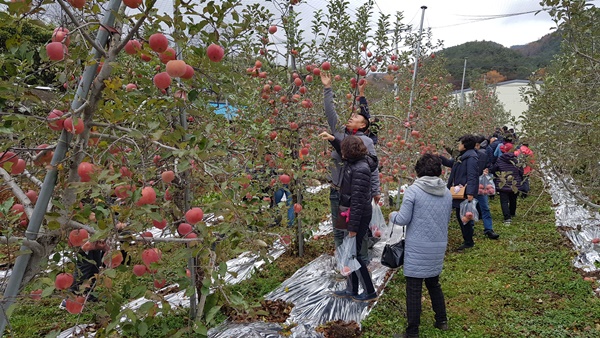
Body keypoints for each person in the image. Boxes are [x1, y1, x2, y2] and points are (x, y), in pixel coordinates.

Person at [389, 153, 452, 338]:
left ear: (419, 170)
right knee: (434, 283)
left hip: (418, 246)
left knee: (414, 289)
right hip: (438, 244)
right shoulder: (447, 192)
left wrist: (392, 215)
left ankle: (412, 332)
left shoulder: (413, 190)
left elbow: (403, 219)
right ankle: (442, 321)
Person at [320, 71, 381, 250]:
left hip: (357, 192)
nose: (351, 117)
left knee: (355, 230)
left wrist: (376, 190)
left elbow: (373, 168)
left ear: (363, 125)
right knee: (339, 230)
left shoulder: (367, 141)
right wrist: (327, 88)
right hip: (337, 190)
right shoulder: (339, 134)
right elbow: (330, 113)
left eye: (355, 117)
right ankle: (344, 264)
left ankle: (360, 263)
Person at [324, 136, 378, 302]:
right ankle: (352, 288)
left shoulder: (360, 169)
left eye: (344, 150)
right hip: (352, 212)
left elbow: (358, 202)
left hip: (358, 215)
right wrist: (333, 139)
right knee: (351, 253)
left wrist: (353, 228)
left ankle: (370, 292)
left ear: (350, 151)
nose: (342, 153)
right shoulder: (356, 162)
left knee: (356, 255)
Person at [439, 134, 479, 251]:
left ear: (465, 146)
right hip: (459, 191)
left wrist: (470, 193)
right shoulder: (463, 157)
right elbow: (451, 163)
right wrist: (440, 157)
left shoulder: (471, 158)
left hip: (464, 192)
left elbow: (472, 176)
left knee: (463, 216)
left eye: (460, 143)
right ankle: (468, 239)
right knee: (462, 215)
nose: (458, 145)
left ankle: (468, 241)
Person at [490, 142, 524, 224]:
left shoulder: (500, 160)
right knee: (513, 199)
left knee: (504, 201)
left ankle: (507, 217)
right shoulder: (516, 160)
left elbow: (494, 169)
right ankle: (512, 213)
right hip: (514, 183)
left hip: (503, 182)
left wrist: (497, 175)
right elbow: (521, 171)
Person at [474, 135, 499, 240]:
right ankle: (469, 230)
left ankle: (488, 229)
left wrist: (487, 169)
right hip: (470, 185)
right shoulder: (465, 156)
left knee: (485, 207)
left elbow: (490, 164)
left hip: (481, 185)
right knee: (470, 208)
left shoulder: (483, 155)